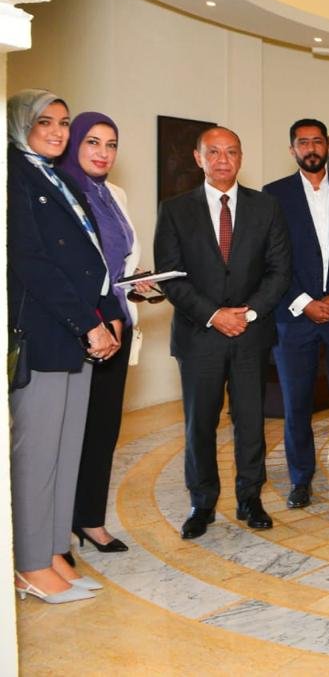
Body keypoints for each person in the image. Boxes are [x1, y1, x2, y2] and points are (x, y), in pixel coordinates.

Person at [8, 89, 124, 603]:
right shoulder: (14, 174)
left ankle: (54, 550)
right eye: (45, 122)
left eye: (63, 122)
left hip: (76, 332)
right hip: (46, 332)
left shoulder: (56, 176)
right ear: (21, 125)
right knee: (36, 455)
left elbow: (88, 258)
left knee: (65, 450)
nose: (57, 132)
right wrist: (87, 323)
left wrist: (104, 313)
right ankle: (29, 564)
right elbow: (31, 261)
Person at [154, 126, 291, 538]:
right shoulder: (175, 210)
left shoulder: (265, 207)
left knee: (251, 422)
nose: (222, 160)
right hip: (199, 336)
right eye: (213, 152)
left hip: (250, 334)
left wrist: (247, 313)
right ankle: (202, 503)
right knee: (200, 424)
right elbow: (171, 277)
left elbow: (279, 270)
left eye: (231, 151)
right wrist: (214, 315)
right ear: (198, 158)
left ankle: (250, 498)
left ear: (241, 158)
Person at [263, 119, 329, 510]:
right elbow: (271, 257)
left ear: (328, 147)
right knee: (296, 404)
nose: (311, 148)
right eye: (303, 142)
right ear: (292, 149)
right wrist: (304, 301)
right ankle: (300, 479)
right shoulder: (274, 195)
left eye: (317, 141)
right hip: (293, 315)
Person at [58, 111, 153, 554]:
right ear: (75, 143)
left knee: (102, 430)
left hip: (119, 325)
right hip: (78, 328)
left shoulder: (115, 194)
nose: (103, 152)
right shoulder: (60, 190)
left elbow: (117, 266)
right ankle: (55, 531)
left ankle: (90, 520)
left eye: (111, 144)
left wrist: (137, 284)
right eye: (93, 142)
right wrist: (97, 317)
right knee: (66, 434)